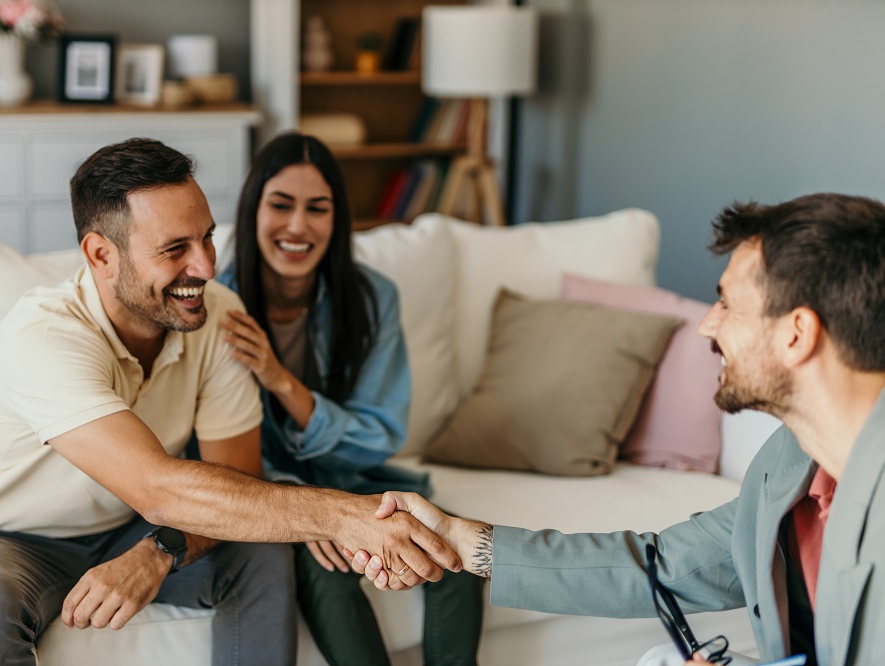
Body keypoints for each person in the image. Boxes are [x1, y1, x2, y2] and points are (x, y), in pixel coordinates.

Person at [0, 138, 461, 666]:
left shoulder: (218, 314)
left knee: (260, 553)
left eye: (207, 238)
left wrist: (159, 551)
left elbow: (235, 477)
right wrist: (347, 517)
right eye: (175, 249)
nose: (203, 266)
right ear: (101, 254)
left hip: (123, 530)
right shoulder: (44, 336)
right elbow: (157, 487)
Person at [353, 193, 885, 666]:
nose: (707, 324)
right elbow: (662, 565)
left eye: (727, 304)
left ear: (797, 335)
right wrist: (461, 540)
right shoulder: (788, 464)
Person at [215, 132, 485, 665]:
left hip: (357, 482)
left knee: (452, 555)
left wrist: (281, 380)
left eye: (317, 208)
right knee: (328, 570)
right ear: (252, 212)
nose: (298, 226)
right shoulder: (220, 305)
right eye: (281, 205)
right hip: (268, 494)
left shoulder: (371, 297)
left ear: (337, 220)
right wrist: (308, 510)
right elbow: (215, 455)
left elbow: (377, 436)